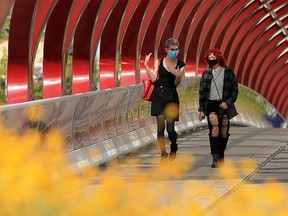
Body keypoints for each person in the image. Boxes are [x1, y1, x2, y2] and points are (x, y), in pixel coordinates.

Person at [144, 38, 186, 164]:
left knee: (170, 128)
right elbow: (153, 78)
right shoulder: (159, 61)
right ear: (166, 49)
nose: (174, 51)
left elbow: (177, 84)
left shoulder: (181, 65)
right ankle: (163, 154)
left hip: (171, 95)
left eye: (176, 49)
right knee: (160, 127)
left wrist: (178, 75)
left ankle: (174, 145)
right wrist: (146, 65)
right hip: (158, 95)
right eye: (172, 49)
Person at [198, 48, 238, 168]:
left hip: (223, 105)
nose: (211, 60)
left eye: (213, 58)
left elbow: (234, 91)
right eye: (209, 58)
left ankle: (221, 154)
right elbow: (202, 93)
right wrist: (201, 110)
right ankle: (215, 157)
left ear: (219, 58)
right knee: (214, 130)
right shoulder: (206, 74)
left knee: (223, 132)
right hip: (211, 105)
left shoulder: (228, 72)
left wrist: (228, 103)